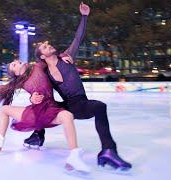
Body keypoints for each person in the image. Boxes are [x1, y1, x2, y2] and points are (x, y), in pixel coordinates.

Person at [25, 2, 132, 171]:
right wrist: (33, 96)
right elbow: (36, 87)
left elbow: (78, 37)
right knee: (40, 107)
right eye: (45, 47)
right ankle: (37, 136)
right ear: (42, 56)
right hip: (67, 104)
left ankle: (108, 151)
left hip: (80, 103)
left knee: (99, 107)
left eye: (47, 44)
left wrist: (84, 16)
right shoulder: (44, 72)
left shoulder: (66, 57)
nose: (49, 45)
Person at [0, 59, 90, 173]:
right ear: (15, 73)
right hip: (35, 113)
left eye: (15, 61)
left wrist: (63, 56)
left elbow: (52, 58)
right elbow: (4, 88)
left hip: (51, 109)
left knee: (67, 116)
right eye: (13, 64)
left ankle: (74, 157)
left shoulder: (38, 66)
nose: (16, 61)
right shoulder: (20, 81)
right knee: (4, 109)